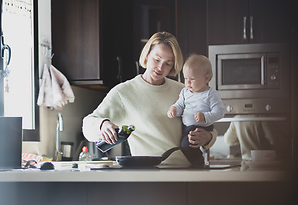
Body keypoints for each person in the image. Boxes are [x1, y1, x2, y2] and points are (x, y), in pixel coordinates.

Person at [82, 32, 217, 165]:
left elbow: (206, 125)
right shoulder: (123, 93)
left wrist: (209, 137)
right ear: (147, 55)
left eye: (168, 63)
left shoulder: (183, 91)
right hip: (149, 174)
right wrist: (102, 124)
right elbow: (87, 126)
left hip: (187, 172)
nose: (160, 67)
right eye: (157, 59)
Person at [167, 54, 224, 163]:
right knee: (185, 145)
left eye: (192, 79)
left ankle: (199, 162)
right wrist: (174, 109)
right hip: (187, 128)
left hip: (201, 128)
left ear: (206, 78)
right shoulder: (185, 92)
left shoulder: (210, 94)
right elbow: (180, 105)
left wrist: (205, 116)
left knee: (186, 146)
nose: (187, 82)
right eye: (186, 78)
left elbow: (220, 112)